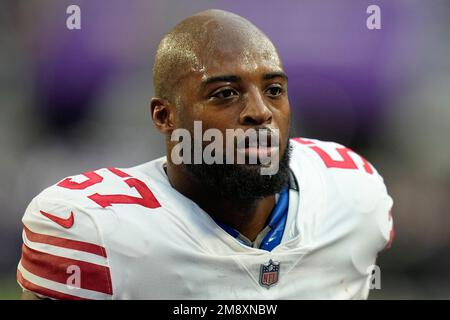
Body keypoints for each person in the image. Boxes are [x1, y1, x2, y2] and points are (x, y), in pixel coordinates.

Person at [17, 9, 394, 300]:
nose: (260, 112)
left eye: (275, 89)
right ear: (165, 116)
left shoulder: (351, 193)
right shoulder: (94, 227)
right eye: (226, 93)